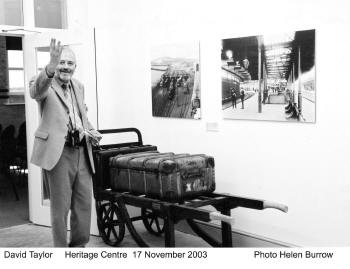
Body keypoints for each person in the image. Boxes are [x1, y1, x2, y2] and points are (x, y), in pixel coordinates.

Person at [29, 38, 102, 247]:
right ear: (54, 64)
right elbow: (36, 92)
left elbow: (81, 115)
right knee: (60, 208)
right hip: (59, 153)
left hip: (82, 151)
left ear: (75, 67)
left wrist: (91, 130)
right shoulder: (43, 82)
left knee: (83, 205)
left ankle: (78, 248)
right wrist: (50, 66)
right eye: (61, 62)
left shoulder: (78, 86)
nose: (66, 67)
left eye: (70, 63)